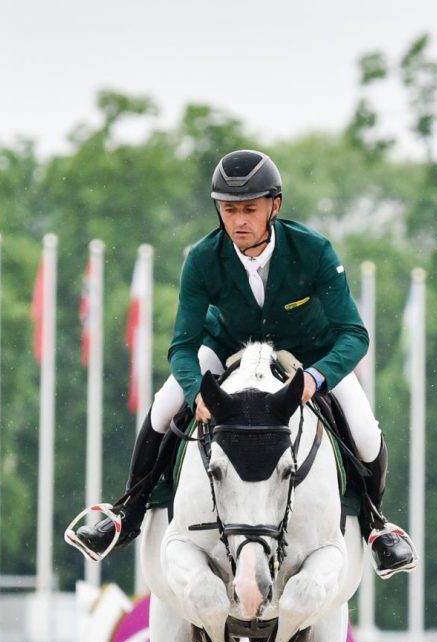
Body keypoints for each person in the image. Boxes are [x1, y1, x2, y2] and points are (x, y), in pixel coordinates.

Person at [64, 149, 417, 578]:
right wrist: (195, 392)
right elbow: (182, 346)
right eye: (229, 210)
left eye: (250, 209)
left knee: (363, 430)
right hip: (228, 344)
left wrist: (317, 376)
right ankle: (127, 512)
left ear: (274, 206)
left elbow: (354, 334)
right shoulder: (203, 258)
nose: (238, 221)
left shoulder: (313, 250)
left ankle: (377, 526)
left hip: (309, 351)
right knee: (162, 407)